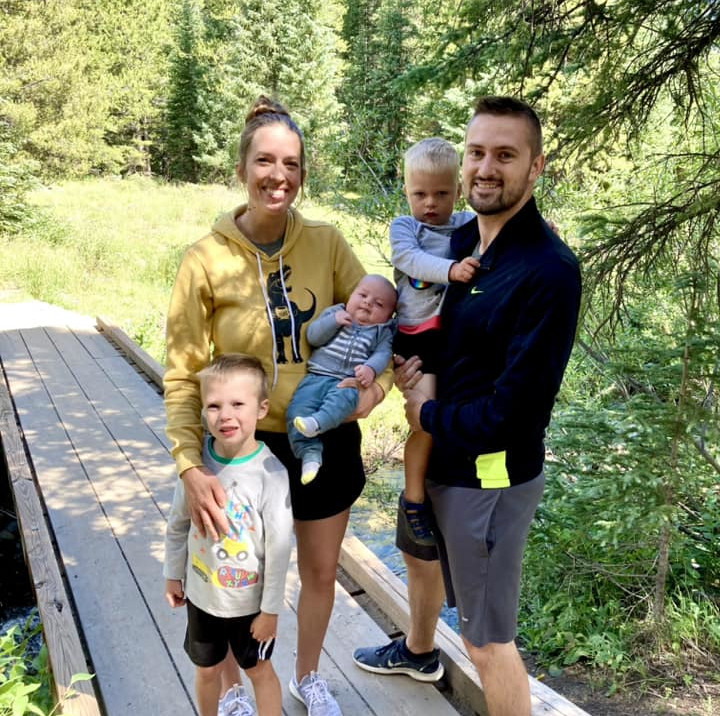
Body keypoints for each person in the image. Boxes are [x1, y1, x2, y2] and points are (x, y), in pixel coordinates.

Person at [353, 96, 582, 716]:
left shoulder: (547, 271)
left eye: (505, 155)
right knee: (423, 561)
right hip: (440, 462)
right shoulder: (458, 242)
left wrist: (426, 414)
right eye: (477, 152)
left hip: (489, 479)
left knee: (486, 640)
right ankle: (419, 650)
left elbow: (515, 415)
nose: (486, 167)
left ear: (535, 166)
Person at [164, 95, 392, 716]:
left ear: (303, 173)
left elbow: (383, 321)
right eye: (265, 161)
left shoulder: (327, 243)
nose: (278, 176)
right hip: (239, 446)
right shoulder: (204, 260)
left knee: (319, 571)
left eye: (291, 164)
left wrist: (374, 389)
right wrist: (190, 465)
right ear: (242, 168)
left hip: (322, 436)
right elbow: (183, 375)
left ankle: (307, 677)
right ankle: (234, 691)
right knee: (230, 577)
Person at [164, 354, 293, 716]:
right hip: (202, 597)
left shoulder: (271, 474)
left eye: (238, 404)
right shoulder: (196, 468)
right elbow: (178, 523)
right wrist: (173, 573)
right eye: (214, 406)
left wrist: (270, 611)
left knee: (259, 671)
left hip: (249, 606)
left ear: (261, 409)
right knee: (207, 671)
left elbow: (279, 549)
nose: (225, 415)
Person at [390, 137, 479, 547]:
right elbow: (409, 260)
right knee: (423, 418)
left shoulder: (466, 223)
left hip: (453, 338)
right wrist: (452, 270)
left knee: (455, 412)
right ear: (407, 191)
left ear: (458, 191)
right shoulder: (406, 227)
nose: (430, 203)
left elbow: (504, 232)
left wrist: (539, 231)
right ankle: (413, 499)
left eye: (441, 193)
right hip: (417, 338)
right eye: (419, 193)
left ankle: (452, 494)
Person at [287, 273, 397, 485]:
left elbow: (383, 355)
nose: (367, 303)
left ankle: (317, 423)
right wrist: (333, 322)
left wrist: (370, 369)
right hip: (316, 377)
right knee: (296, 411)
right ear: (351, 295)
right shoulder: (335, 313)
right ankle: (310, 455)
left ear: (388, 317)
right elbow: (313, 337)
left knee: (340, 402)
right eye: (362, 295)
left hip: (347, 383)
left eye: (379, 304)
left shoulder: (381, 332)